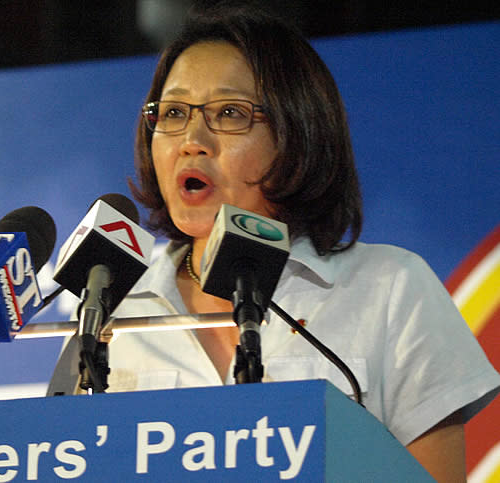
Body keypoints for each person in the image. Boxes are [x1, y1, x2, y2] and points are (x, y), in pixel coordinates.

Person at [48, 3, 500, 480]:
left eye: (230, 113)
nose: (191, 139)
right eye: (174, 112)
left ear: (297, 133)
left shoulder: (390, 289)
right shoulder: (107, 313)